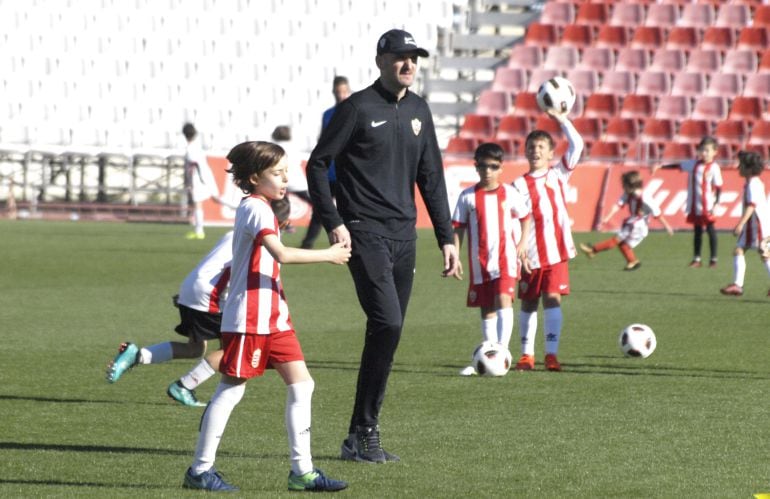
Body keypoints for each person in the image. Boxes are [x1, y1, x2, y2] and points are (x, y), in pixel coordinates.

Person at [305, 29, 460, 463]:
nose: (409, 64)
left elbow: (431, 177)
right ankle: (363, 431)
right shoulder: (356, 108)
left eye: (414, 58)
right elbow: (318, 164)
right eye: (400, 57)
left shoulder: (418, 109)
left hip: (404, 236)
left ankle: (361, 434)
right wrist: (334, 221)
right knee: (388, 322)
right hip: (363, 230)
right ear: (380, 61)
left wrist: (446, 238)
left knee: (386, 333)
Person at [183, 141, 350, 493]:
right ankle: (200, 470)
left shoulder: (263, 207)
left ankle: (302, 473)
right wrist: (329, 255)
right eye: (277, 173)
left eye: (286, 171)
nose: (285, 178)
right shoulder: (257, 209)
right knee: (230, 389)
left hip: (273, 317)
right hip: (250, 317)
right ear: (255, 177)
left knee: (303, 385)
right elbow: (282, 254)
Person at [105, 198, 293, 407]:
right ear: (283, 223)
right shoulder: (262, 244)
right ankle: (185, 385)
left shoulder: (235, 233)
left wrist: (189, 296)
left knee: (195, 349)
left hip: (192, 288)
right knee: (233, 351)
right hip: (210, 295)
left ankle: (137, 355)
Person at [511, 107, 584, 373]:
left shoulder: (559, 174)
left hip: (556, 251)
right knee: (529, 302)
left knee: (552, 299)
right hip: (530, 253)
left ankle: (551, 355)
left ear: (551, 153)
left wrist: (561, 119)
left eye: (541, 146)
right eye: (531, 146)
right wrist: (518, 249)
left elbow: (578, 144)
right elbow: (514, 219)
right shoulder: (518, 185)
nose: (536, 151)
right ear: (526, 151)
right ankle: (526, 355)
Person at [451, 142, 532, 376]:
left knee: (504, 300)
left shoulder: (509, 193)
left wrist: (523, 242)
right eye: (483, 166)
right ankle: (489, 355)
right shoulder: (467, 196)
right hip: (479, 261)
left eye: (493, 166)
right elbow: (458, 228)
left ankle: (502, 352)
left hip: (506, 258)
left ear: (501, 168)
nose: (488, 171)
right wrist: (455, 256)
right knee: (486, 309)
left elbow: (525, 217)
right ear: (476, 167)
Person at [579, 170, 674, 270]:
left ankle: (593, 250)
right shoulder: (628, 193)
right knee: (623, 243)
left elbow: (657, 213)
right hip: (633, 222)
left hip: (639, 225)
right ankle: (633, 261)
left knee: (617, 240)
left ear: (630, 186)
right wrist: (607, 217)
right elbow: (618, 205)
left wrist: (667, 227)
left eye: (624, 184)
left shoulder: (645, 197)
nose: (623, 187)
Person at [653, 137, 723, 268]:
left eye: (707, 150)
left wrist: (716, 203)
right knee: (697, 231)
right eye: (702, 150)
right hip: (695, 205)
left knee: (710, 230)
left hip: (708, 205)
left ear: (715, 152)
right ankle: (697, 258)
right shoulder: (693, 164)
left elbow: (718, 187)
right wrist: (661, 166)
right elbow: (677, 165)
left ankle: (713, 259)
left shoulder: (714, 168)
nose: (704, 153)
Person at [301, 76, 351, 249]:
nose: (341, 95)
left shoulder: (354, 112)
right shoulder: (328, 115)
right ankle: (307, 244)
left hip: (346, 171)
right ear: (334, 93)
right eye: (338, 92)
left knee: (350, 210)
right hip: (329, 171)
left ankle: (351, 242)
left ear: (349, 91)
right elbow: (323, 142)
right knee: (320, 209)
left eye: (344, 92)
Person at [720, 151, 770, 297]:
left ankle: (738, 285)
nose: (738, 167)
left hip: (758, 224)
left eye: (741, 165)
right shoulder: (752, 183)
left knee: (762, 253)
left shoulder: (753, 184)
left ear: (748, 169)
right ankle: (737, 285)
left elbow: (751, 205)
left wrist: (740, 224)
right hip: (756, 224)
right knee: (744, 251)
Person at [183, 123, 232, 240]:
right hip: (205, 177)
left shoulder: (190, 149)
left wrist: (190, 182)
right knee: (214, 199)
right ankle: (199, 230)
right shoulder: (197, 146)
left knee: (200, 203)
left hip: (199, 179)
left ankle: (199, 231)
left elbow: (193, 166)